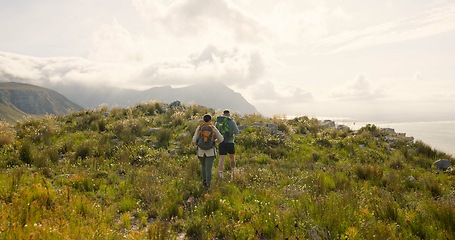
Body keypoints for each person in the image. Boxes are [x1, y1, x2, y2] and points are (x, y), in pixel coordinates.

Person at [192, 114, 224, 188]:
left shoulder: (199, 127)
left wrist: (198, 143)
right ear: (210, 120)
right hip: (210, 151)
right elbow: (221, 139)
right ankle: (208, 184)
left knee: (203, 166)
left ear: (203, 120)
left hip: (200, 151)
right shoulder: (213, 128)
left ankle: (204, 181)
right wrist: (215, 142)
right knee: (208, 168)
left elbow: (194, 140)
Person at [217, 109, 239, 179]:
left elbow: (215, 132)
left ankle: (220, 174)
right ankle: (233, 173)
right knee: (232, 158)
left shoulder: (218, 122)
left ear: (223, 114)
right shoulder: (231, 122)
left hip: (221, 142)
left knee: (221, 158)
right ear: (229, 114)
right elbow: (236, 132)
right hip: (230, 141)